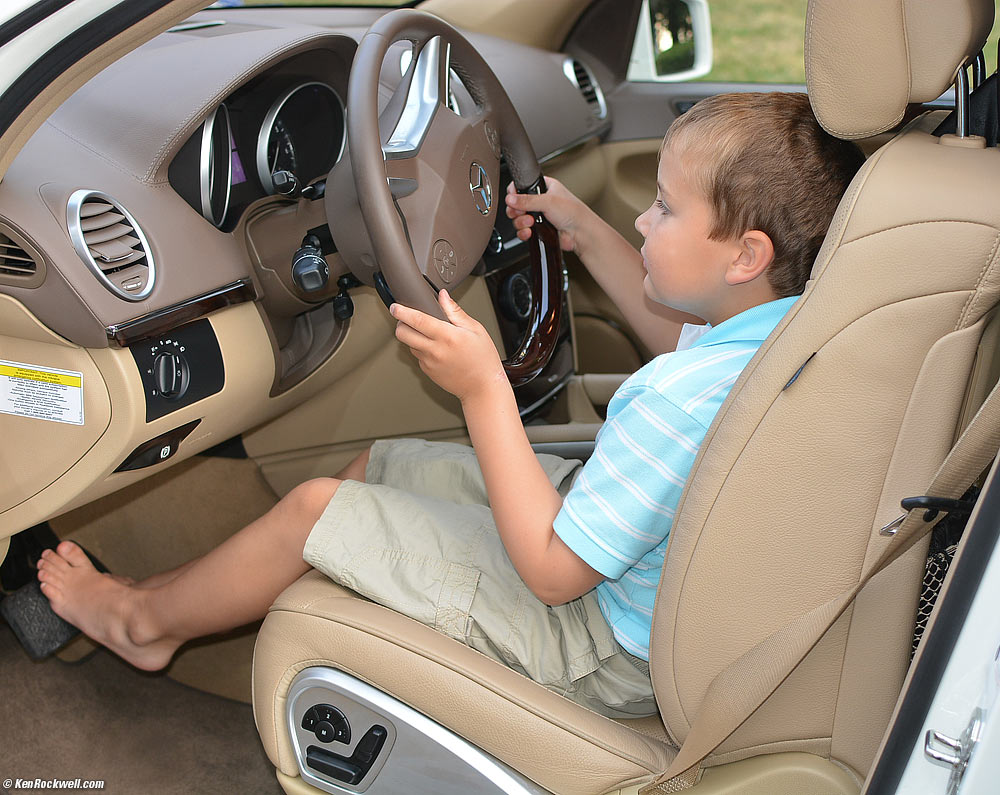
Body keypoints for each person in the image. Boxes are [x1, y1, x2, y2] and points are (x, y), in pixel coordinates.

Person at [36, 92, 864, 718]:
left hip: (595, 643)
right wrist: (579, 227)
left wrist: (483, 388)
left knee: (318, 509)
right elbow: (676, 333)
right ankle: (166, 595)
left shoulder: (675, 405)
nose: (644, 220)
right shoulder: (775, 328)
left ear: (745, 256)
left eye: (666, 208)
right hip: (635, 580)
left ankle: (141, 622)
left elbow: (552, 573)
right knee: (380, 464)